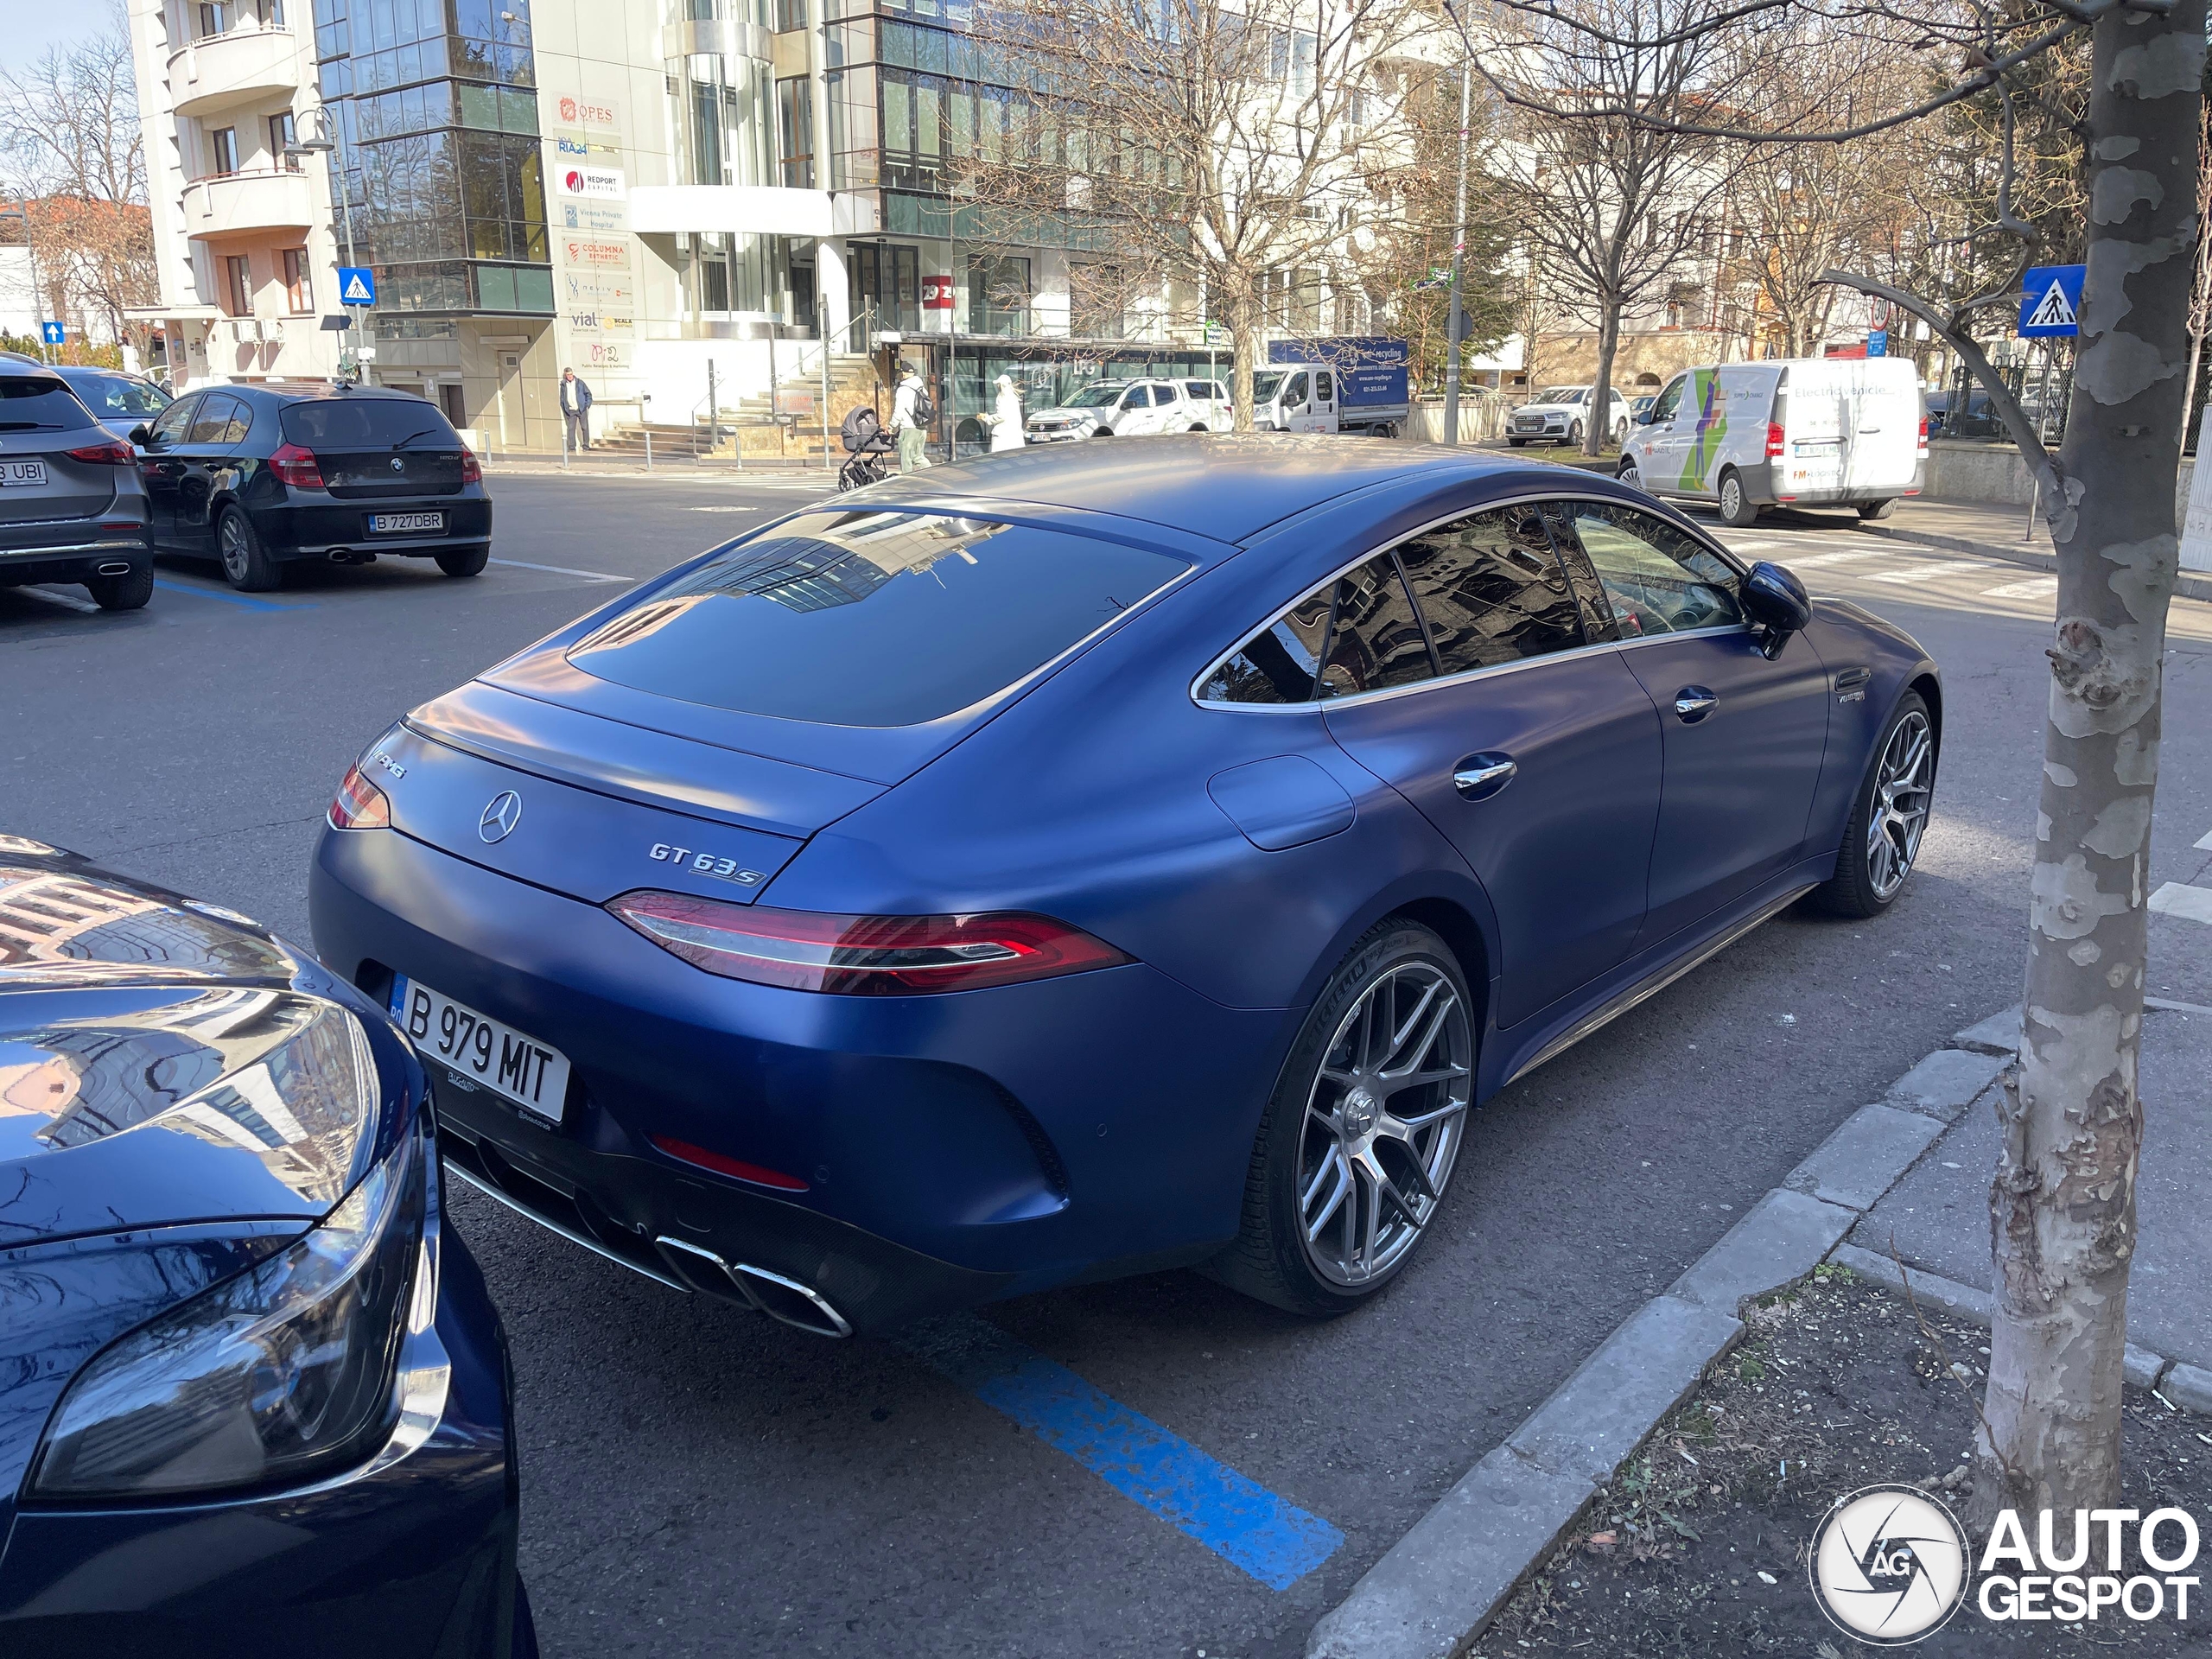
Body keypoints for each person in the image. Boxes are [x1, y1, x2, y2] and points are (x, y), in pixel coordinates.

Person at [890, 363, 931, 474]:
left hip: (909, 428)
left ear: (903, 373)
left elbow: (899, 411)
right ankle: (932, 474)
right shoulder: (922, 388)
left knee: (906, 458)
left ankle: (907, 481)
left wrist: (891, 426)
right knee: (918, 457)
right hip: (922, 427)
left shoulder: (903, 390)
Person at [982, 373, 1025, 453]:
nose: (997, 386)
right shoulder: (1013, 397)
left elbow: (1001, 416)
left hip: (1002, 437)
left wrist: (988, 418)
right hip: (1015, 437)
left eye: (998, 384)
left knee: (998, 461)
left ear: (1001, 385)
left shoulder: (1002, 397)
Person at [560, 368, 594, 452]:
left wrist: (587, 405)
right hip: (571, 410)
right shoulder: (563, 385)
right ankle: (572, 447)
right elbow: (562, 399)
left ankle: (586, 446)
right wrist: (565, 409)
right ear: (565, 375)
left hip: (581, 409)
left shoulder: (580, 383)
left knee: (585, 427)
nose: (570, 376)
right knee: (571, 429)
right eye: (568, 375)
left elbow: (588, 394)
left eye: (571, 374)